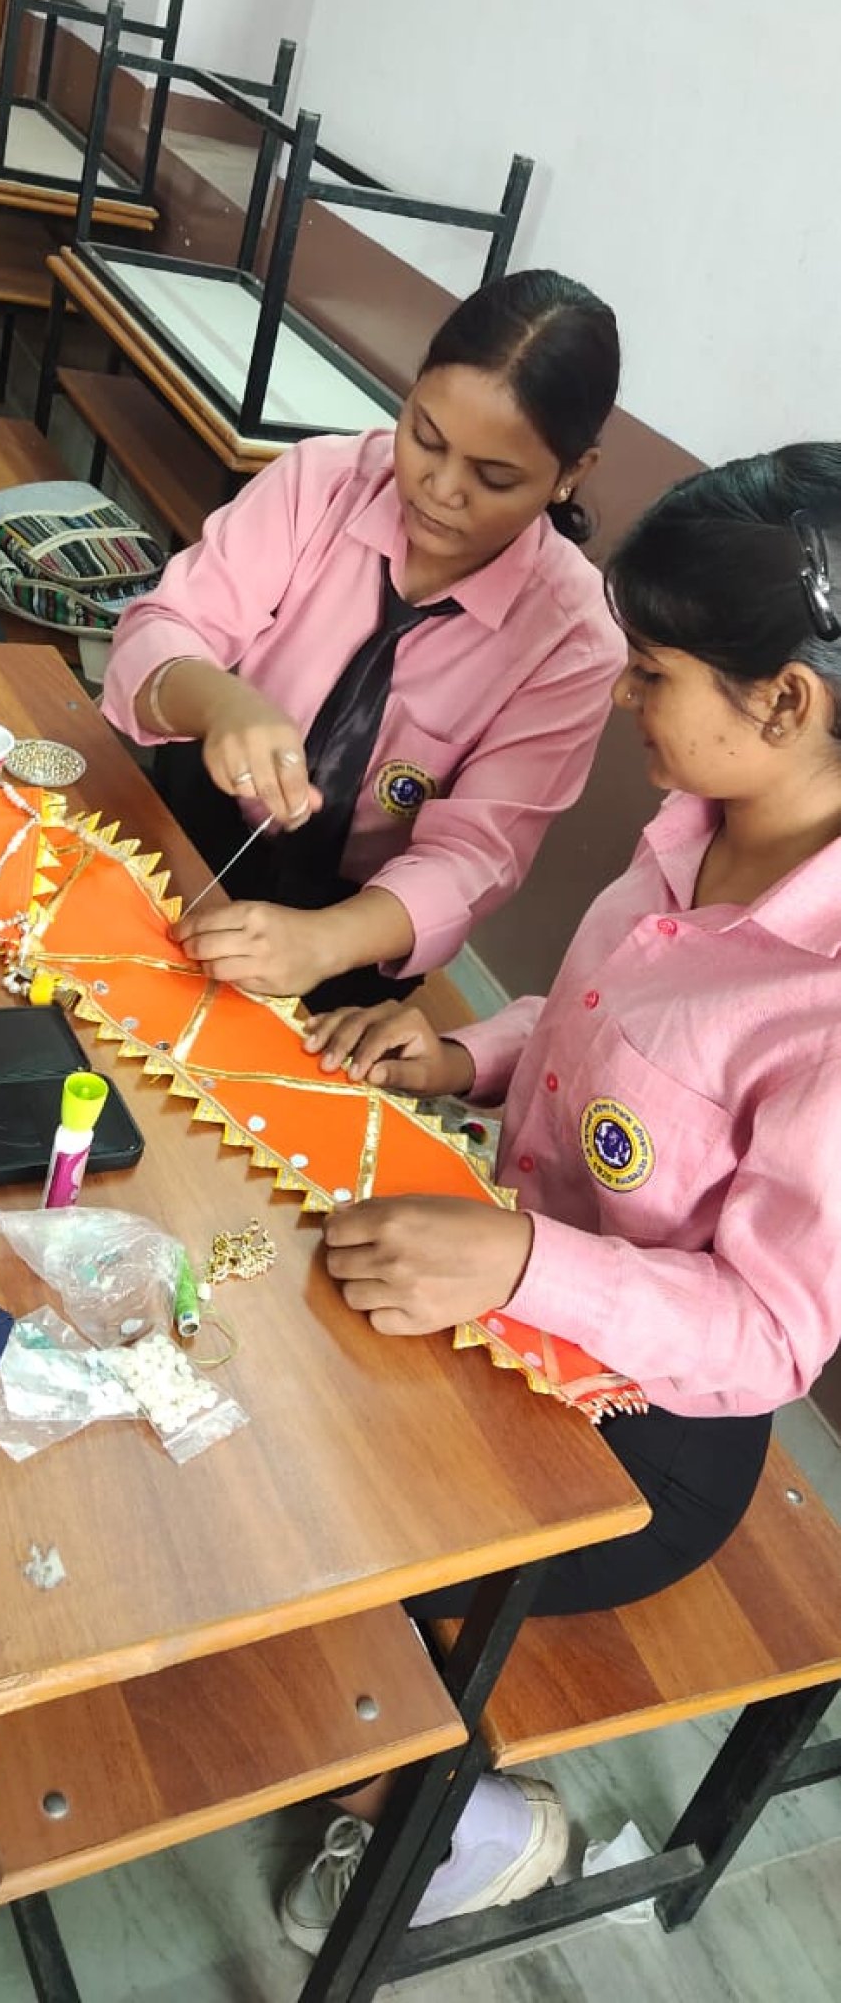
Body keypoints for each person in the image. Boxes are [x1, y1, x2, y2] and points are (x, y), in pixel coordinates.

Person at [279, 441, 841, 1949]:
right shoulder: (694, 832)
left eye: (650, 673)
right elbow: (604, 1029)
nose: (620, 698)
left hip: (651, 1430)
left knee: (322, 1531)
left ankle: (477, 1822)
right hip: (514, 1284)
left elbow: (770, 1333)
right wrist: (463, 1051)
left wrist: (519, 1262)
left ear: (784, 702)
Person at [102, 270, 624, 1010]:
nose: (441, 488)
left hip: (354, 932)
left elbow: (476, 854)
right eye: (425, 438)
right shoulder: (321, 483)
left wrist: (323, 943)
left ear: (571, 474)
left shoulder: (571, 640)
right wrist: (219, 702)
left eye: (495, 477)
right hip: (187, 835)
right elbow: (163, 628)